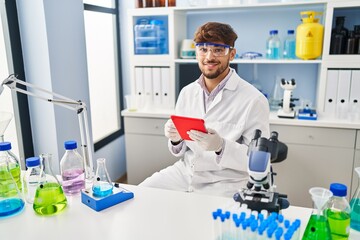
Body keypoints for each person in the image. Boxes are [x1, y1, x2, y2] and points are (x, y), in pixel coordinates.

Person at [139, 22, 270, 197]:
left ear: (231, 54)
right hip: (186, 173)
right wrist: (176, 139)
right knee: (141, 192)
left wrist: (221, 146)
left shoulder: (254, 99)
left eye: (218, 50)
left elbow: (259, 162)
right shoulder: (187, 92)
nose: (209, 57)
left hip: (226, 181)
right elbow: (180, 151)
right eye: (203, 49)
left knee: (206, 221)